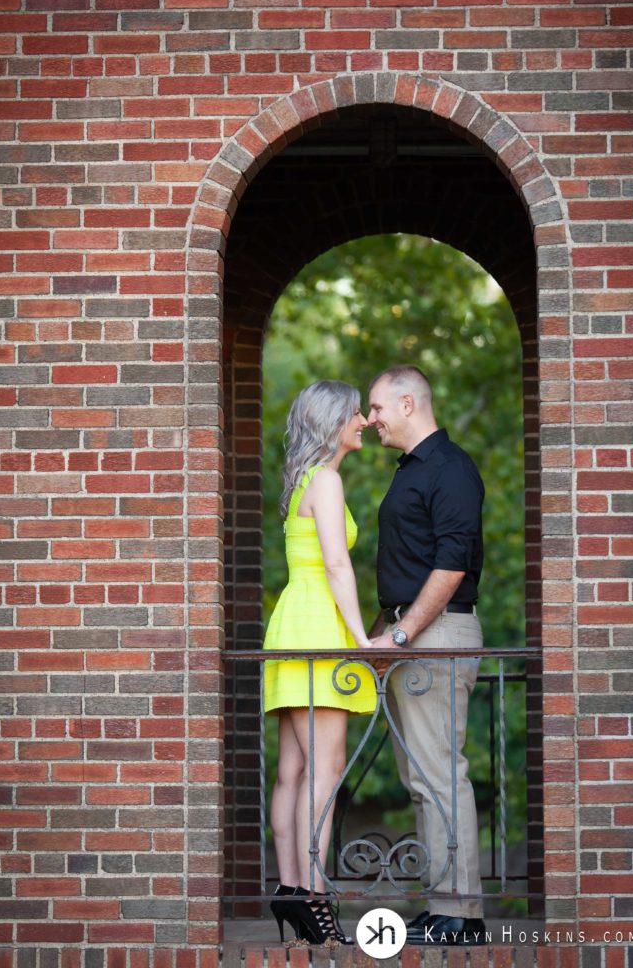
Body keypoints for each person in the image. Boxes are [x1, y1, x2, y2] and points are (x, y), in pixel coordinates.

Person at [367, 365, 487, 947]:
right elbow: (406, 569)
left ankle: (461, 914)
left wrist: (402, 634)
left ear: (408, 402)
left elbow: (451, 562)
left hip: (437, 636)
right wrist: (378, 636)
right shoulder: (413, 471)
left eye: (378, 408)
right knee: (422, 777)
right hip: (412, 636)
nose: (371, 420)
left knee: (441, 774)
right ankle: (442, 902)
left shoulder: (450, 468)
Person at [262, 380, 376, 945]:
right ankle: (312, 896)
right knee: (324, 772)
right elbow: (336, 564)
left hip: (291, 623)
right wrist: (361, 641)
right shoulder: (326, 479)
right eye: (356, 412)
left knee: (293, 772)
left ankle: (289, 891)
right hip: (318, 627)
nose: (363, 420)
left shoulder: (301, 481)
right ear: (334, 421)